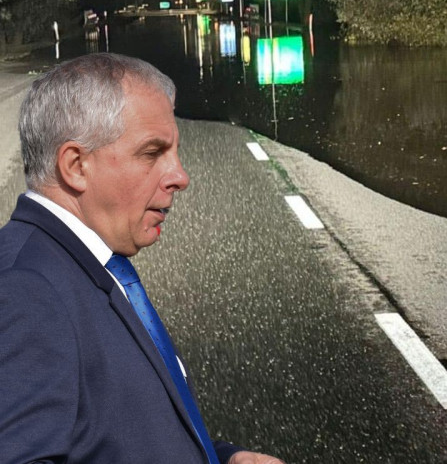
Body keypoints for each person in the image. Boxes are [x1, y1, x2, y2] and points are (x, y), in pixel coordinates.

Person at [0, 53, 283, 464]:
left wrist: (220, 458)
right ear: (76, 166)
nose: (180, 176)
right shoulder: (25, 290)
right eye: (152, 153)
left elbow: (113, 436)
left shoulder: (80, 262)